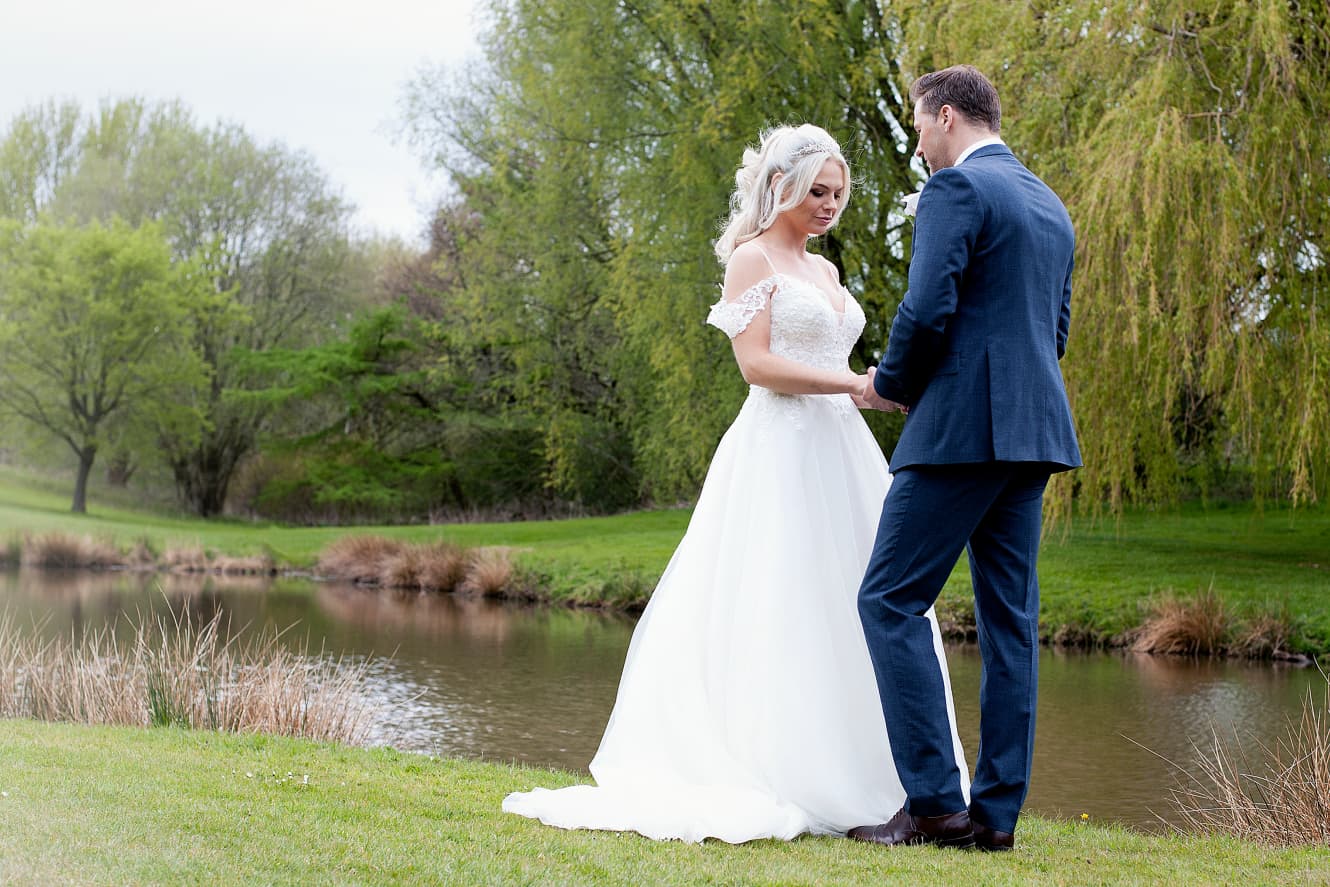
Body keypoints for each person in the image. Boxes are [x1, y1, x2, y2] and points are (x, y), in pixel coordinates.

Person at [501, 123, 968, 843]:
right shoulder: (752, 261)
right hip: (778, 447)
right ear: (781, 186)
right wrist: (851, 383)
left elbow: (835, 351)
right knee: (778, 595)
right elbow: (756, 365)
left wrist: (873, 388)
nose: (830, 205)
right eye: (818, 191)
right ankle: (774, 765)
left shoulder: (829, 273)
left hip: (842, 451)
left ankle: (879, 775)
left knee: (857, 598)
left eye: (839, 194)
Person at [852, 65, 1081, 852]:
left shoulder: (957, 190)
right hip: (1031, 432)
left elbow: (928, 304)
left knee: (888, 599)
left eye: (919, 126)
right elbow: (1053, 331)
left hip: (960, 431)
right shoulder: (1049, 203)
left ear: (946, 116)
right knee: (1009, 624)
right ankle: (995, 818)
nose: (918, 142)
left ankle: (933, 805)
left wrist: (891, 381)